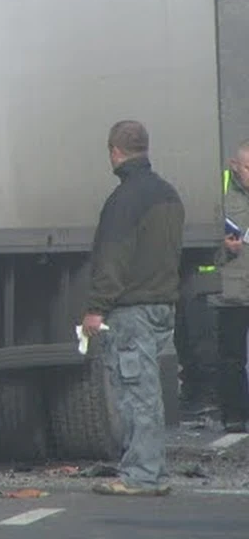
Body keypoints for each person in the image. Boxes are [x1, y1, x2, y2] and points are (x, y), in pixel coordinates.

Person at [82, 120, 184, 496]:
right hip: (162, 306)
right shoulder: (168, 194)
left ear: (115, 151)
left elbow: (113, 260)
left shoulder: (123, 201)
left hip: (132, 309)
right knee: (147, 390)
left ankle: (142, 474)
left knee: (136, 393)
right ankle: (150, 470)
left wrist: (96, 308)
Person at [214, 142, 249, 431]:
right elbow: (206, 242)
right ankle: (235, 416)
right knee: (232, 357)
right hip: (234, 289)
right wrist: (224, 247)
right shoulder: (222, 197)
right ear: (235, 166)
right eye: (248, 167)